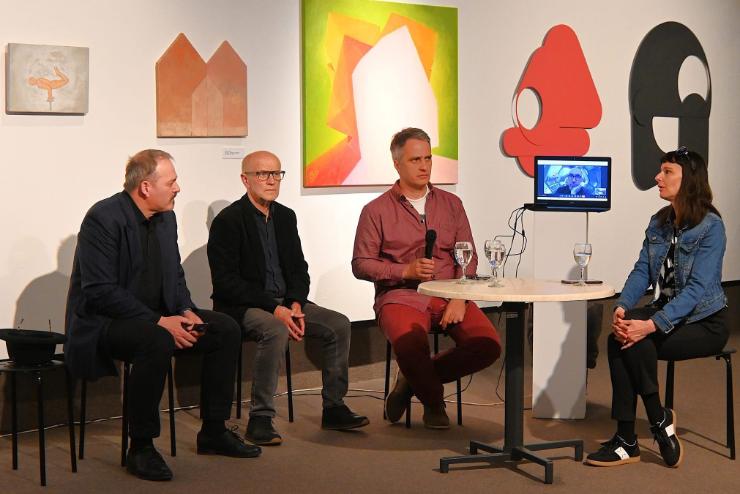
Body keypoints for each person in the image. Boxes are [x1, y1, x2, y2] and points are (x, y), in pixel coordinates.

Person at [65, 149, 261, 482]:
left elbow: (174, 275)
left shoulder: (166, 217)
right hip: (105, 322)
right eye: (171, 182)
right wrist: (159, 321)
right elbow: (100, 291)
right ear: (145, 187)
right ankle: (141, 447)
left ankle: (213, 430)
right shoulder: (103, 218)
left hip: (159, 316)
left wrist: (185, 310)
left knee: (224, 329)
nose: (178, 188)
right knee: (156, 340)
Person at [208, 150, 369, 446]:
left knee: (338, 324)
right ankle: (260, 418)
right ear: (245, 179)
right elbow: (227, 284)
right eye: (262, 174)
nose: (271, 180)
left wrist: (294, 302)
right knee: (275, 328)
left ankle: (334, 407)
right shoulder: (228, 221)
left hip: (286, 302)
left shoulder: (285, 216)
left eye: (276, 174)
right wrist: (276, 309)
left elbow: (298, 269)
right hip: (244, 307)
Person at [585, 147, 728, 468]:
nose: (657, 178)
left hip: (705, 322)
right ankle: (643, 429)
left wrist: (650, 325)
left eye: (667, 172)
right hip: (666, 311)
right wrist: (623, 306)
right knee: (621, 335)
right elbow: (642, 271)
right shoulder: (659, 222)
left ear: (688, 179)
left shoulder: (711, 227)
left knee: (635, 339)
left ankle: (643, 427)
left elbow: (696, 290)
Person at [352, 127, 502, 429]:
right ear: (397, 164)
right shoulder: (376, 210)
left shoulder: (451, 204)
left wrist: (459, 298)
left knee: (488, 345)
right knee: (410, 346)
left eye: (428, 158)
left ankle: (411, 379)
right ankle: (433, 401)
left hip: (449, 293)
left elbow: (468, 256)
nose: (424, 166)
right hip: (401, 296)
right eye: (415, 160)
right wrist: (403, 271)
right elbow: (361, 264)